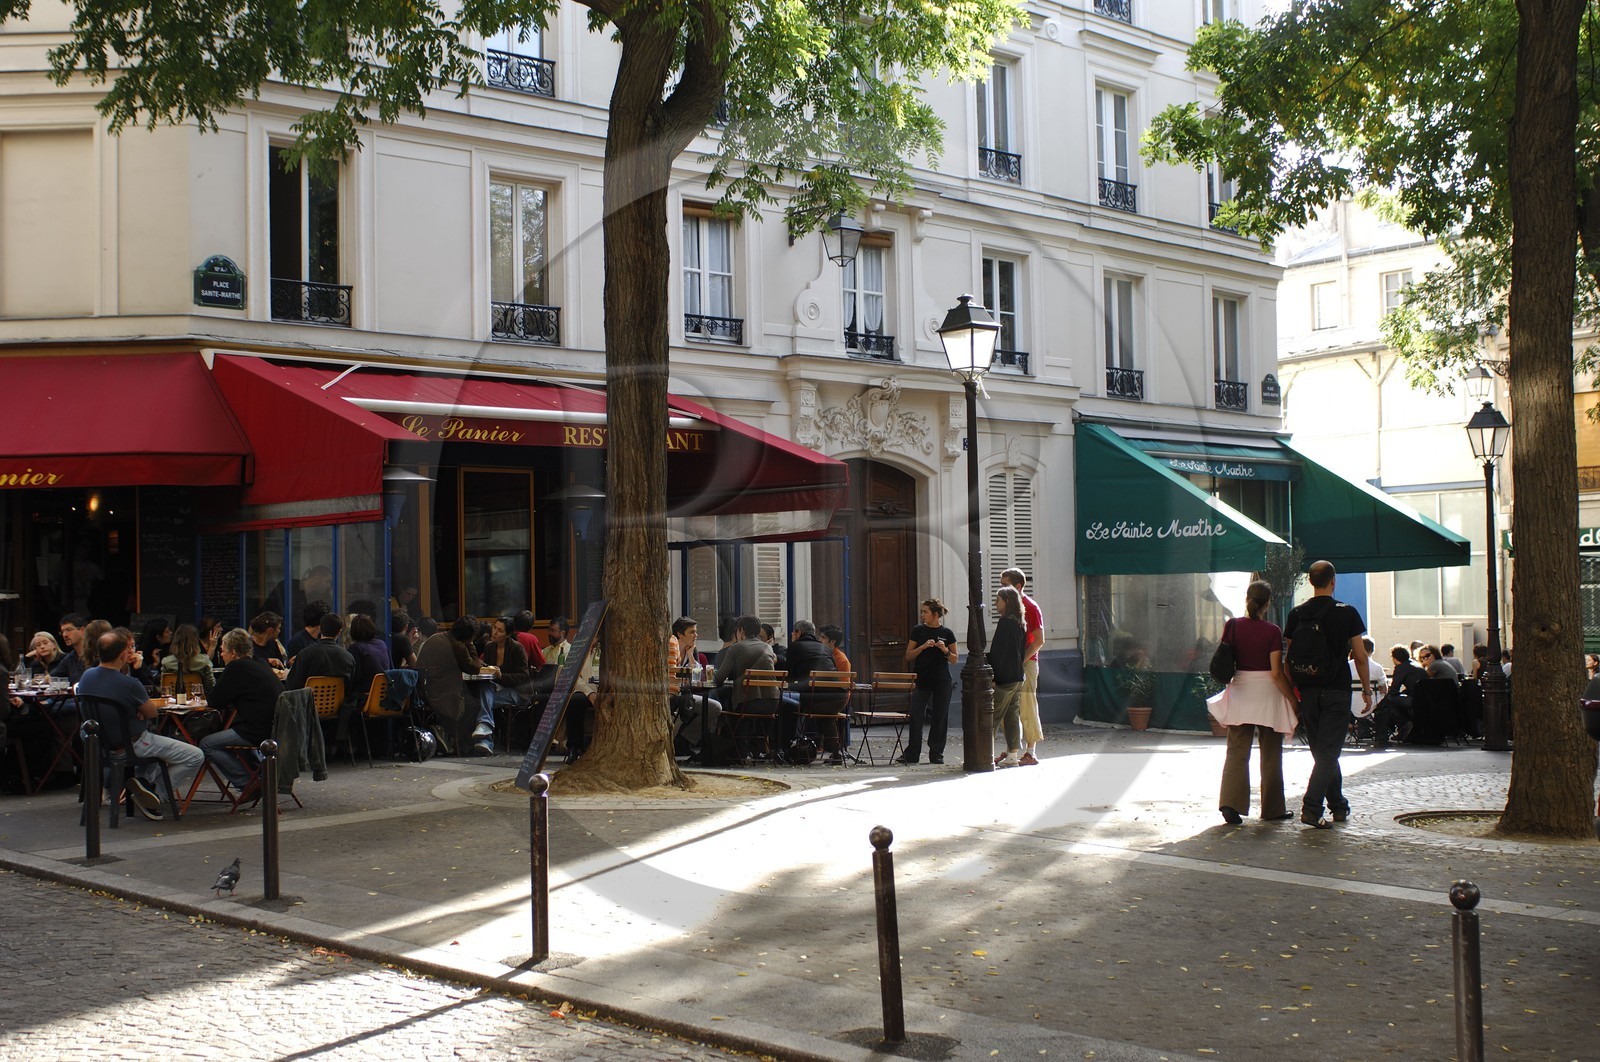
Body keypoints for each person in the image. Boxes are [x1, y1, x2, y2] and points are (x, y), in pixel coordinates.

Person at [77, 630, 204, 819]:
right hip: (133, 744)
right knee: (195, 755)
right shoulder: (129, 684)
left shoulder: (87, 676)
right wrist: (138, 708)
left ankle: (143, 784)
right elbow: (152, 713)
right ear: (122, 655)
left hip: (98, 745)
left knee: (155, 746)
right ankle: (153, 794)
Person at [1283, 561, 1370, 829]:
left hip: (1308, 691)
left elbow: (1289, 659)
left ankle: (1338, 806)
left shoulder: (1297, 613)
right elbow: (1360, 656)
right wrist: (1367, 690)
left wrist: (1293, 696)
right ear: (1333, 581)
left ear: (1310, 581)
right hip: (1336, 690)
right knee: (1328, 753)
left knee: (1324, 752)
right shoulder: (1347, 612)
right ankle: (1311, 808)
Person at [1207, 580, 1299, 823]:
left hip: (1241, 689)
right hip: (1268, 692)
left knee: (1237, 750)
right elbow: (1277, 673)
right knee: (1271, 753)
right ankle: (1272, 809)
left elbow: (1226, 656)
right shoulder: (1272, 631)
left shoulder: (1233, 626)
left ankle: (1230, 803)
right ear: (1267, 604)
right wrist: (1292, 700)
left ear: (1247, 598)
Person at [200, 628, 285, 797]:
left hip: (256, 730)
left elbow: (214, 701)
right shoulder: (259, 663)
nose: (221, 655)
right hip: (275, 727)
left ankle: (247, 783)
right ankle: (261, 778)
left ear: (233, 652)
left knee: (206, 744)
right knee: (238, 739)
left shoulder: (236, 668)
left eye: (222, 651)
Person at [901, 599, 958, 766]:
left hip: (942, 679)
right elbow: (908, 655)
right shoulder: (918, 631)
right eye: (922, 611)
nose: (922, 615)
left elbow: (954, 659)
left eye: (925, 612)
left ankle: (936, 753)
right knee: (917, 715)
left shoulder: (947, 633)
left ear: (935, 614)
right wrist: (923, 647)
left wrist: (944, 650)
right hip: (923, 678)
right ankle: (913, 753)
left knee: (940, 716)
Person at [416, 617, 484, 754]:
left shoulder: (436, 638)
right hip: (444, 696)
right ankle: (455, 740)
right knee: (475, 705)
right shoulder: (458, 647)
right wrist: (471, 644)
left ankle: (445, 733)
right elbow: (475, 668)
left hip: (424, 692)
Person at [1000, 567, 1045, 766]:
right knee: (1009, 708)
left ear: (1018, 586)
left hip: (1027, 663)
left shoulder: (1030, 606)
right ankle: (1012, 750)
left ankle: (1031, 752)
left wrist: (1021, 660)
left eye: (1005, 585)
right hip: (1014, 663)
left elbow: (1039, 640)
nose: (1001, 589)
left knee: (1026, 705)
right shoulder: (1010, 608)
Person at [780, 620, 834, 754]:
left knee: (783, 701)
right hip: (837, 698)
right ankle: (835, 751)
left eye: (793, 633)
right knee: (826, 715)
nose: (792, 636)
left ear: (799, 633)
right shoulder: (825, 648)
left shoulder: (795, 647)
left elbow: (788, 676)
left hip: (813, 699)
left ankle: (784, 746)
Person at [989, 587, 1028, 768]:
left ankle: (985, 753)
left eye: (998, 600)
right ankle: (1013, 755)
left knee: (993, 716)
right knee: (1012, 716)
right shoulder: (1020, 623)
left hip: (1005, 677)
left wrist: (993, 674)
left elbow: (998, 652)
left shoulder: (1005, 622)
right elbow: (1020, 652)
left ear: (1007, 601)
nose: (996, 604)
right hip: (1018, 675)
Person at [285, 613, 356, 698]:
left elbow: (293, 686)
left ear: (320, 629)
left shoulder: (305, 654)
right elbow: (350, 690)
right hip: (337, 708)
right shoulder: (348, 657)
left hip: (309, 707)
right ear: (339, 632)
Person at [1374, 645, 1427, 748]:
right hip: (1424, 698)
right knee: (1392, 702)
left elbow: (1393, 690)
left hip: (1415, 700)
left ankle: (1403, 724)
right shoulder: (1415, 665)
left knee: (1387, 701)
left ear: (1394, 658)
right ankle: (1402, 730)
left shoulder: (1401, 668)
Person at [346, 614, 393, 705]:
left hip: (366, 695)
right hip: (385, 694)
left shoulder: (356, 648)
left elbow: (355, 677)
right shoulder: (382, 644)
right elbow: (391, 668)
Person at [160, 623, 216, 693]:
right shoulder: (204, 661)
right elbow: (211, 687)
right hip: (199, 702)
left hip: (173, 701)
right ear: (196, 641)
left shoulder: (166, 662)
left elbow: (164, 686)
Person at [1350, 636, 1389, 722]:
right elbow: (1384, 690)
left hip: (1350, 705)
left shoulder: (1348, 666)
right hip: (1373, 705)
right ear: (1373, 650)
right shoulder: (1377, 667)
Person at [51, 614, 91, 684]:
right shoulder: (70, 658)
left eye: (69, 630)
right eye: (62, 632)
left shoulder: (95, 655)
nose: (64, 635)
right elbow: (51, 677)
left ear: (83, 630)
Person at [248, 613, 289, 679]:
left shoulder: (273, 644)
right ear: (271, 630)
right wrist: (267, 661)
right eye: (278, 628)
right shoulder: (248, 644)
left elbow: (281, 667)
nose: (279, 631)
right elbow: (248, 664)